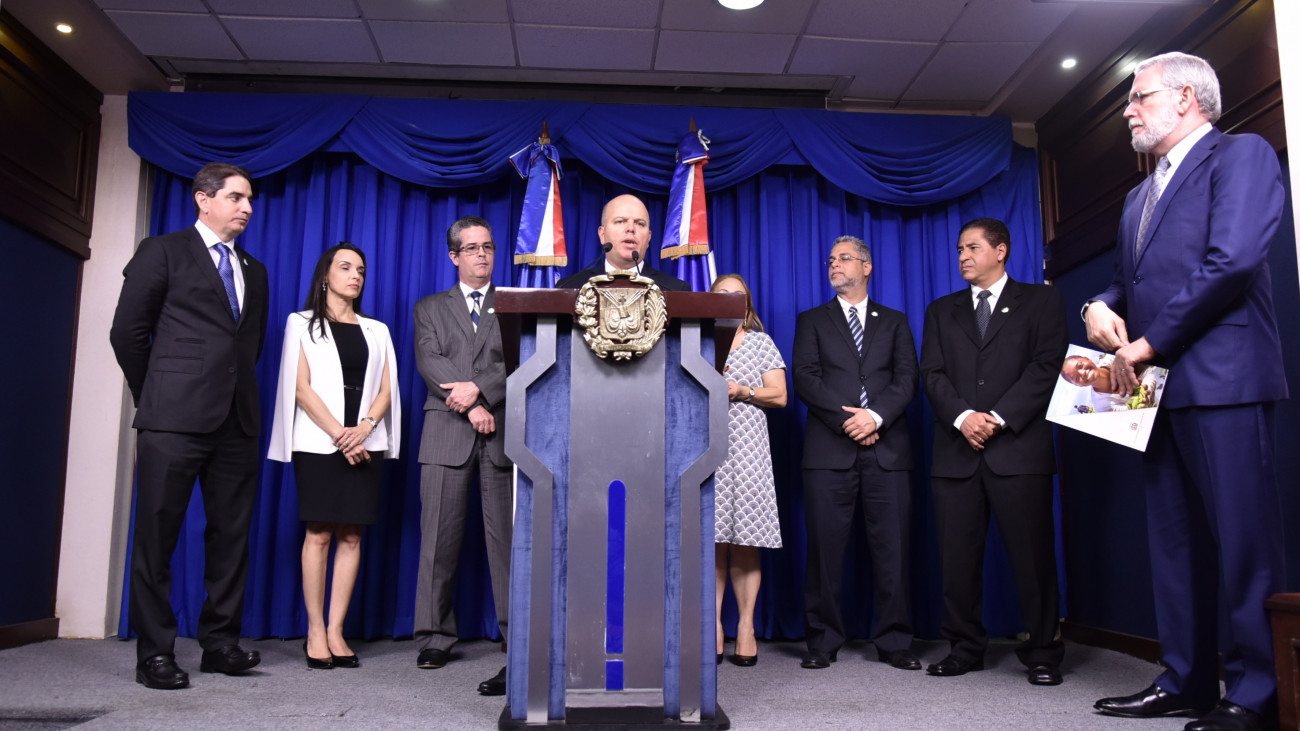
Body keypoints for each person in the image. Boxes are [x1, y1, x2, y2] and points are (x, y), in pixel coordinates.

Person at [1086, 52, 1287, 731]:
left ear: (1186, 98)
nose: (1128, 111)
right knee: (1173, 545)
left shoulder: (1242, 155)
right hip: (1153, 393)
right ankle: (1186, 679)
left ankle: (1259, 691)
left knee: (1244, 542)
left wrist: (1145, 345)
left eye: (1139, 97)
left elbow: (1231, 262)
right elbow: (1127, 283)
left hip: (1225, 380)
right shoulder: (1137, 196)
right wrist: (1096, 305)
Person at [109, 162, 269, 689]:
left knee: (231, 537)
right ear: (204, 199)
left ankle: (220, 645)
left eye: (250, 199)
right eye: (237, 197)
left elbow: (248, 347)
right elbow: (127, 333)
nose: (247, 207)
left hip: (237, 422)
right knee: (157, 536)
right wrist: (154, 395)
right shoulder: (162, 251)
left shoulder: (255, 270)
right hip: (172, 419)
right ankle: (155, 654)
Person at [919, 218, 1068, 686]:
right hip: (956, 454)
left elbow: (1047, 366)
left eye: (972, 247)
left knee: (1033, 558)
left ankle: (1042, 653)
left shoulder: (1042, 301)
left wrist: (998, 418)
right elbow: (932, 374)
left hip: (1019, 451)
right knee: (957, 561)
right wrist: (965, 418)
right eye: (959, 249)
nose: (963, 256)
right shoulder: (941, 311)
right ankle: (964, 649)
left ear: (1000, 251)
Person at [267, 243, 401, 670]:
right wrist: (341, 435)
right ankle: (315, 630)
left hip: (366, 441)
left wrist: (364, 429)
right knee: (320, 533)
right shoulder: (301, 323)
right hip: (318, 442)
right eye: (345, 267)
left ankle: (337, 629)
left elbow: (387, 389)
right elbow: (300, 388)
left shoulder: (377, 330)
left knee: (352, 535)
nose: (355, 275)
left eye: (361, 269)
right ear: (326, 275)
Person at [792, 235, 920, 672]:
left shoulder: (895, 321)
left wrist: (875, 418)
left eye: (844, 258)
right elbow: (806, 378)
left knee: (894, 550)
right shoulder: (812, 320)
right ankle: (822, 641)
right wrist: (850, 421)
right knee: (824, 552)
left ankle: (895, 641)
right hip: (829, 452)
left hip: (889, 450)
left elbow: (907, 378)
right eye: (830, 259)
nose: (834, 265)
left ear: (867, 267)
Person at [412, 216, 512, 697]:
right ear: (454, 256)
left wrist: (483, 392)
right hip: (447, 431)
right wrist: (472, 405)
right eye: (471, 248)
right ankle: (435, 637)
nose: (481, 255)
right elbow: (430, 361)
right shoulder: (430, 307)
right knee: (438, 541)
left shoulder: (511, 306)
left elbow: (518, 361)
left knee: (509, 545)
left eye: (487, 246)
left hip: (502, 433)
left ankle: (517, 638)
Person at [710, 274, 787, 667]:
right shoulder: (698, 341)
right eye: (721, 294)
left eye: (736, 295)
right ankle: (711, 628)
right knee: (711, 542)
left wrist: (744, 390)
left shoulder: (760, 342)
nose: (729, 299)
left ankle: (745, 627)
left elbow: (781, 395)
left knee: (745, 541)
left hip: (749, 450)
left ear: (747, 302)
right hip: (706, 448)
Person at [555, 194, 691, 291]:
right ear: (602, 235)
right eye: (620, 221)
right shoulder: (569, 287)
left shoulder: (675, 290)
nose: (631, 228)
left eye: (640, 223)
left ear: (649, 238)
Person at [1059, 354, 1158, 412]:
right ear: (1078, 385)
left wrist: (1146, 389)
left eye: (1080, 365)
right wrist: (1141, 404)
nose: (1083, 373)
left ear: (1087, 358)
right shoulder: (1101, 405)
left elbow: (1149, 369)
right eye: (1077, 378)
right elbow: (1131, 412)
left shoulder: (1113, 357)